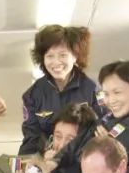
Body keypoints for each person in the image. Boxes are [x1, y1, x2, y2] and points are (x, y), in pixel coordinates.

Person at [19, 24, 105, 154]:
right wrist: (43, 154)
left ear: (75, 56)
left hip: (84, 159)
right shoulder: (32, 95)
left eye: (63, 55)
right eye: (50, 56)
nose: (56, 62)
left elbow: (104, 126)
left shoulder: (93, 90)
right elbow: (31, 136)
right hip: (49, 157)